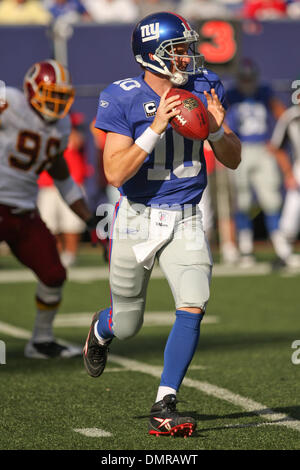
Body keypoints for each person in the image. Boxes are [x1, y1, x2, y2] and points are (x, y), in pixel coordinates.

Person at [83, 11, 241, 437]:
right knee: (129, 323)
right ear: (153, 56)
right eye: (178, 50)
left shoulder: (205, 87)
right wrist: (154, 127)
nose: (189, 57)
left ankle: (164, 401)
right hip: (136, 217)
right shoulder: (122, 96)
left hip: (187, 215)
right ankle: (103, 328)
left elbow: (234, 159)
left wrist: (217, 133)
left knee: (193, 302)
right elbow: (114, 173)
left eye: (189, 48)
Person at [0, 59, 98, 358]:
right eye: (49, 94)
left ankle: (41, 340)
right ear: (31, 89)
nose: (55, 102)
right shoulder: (11, 102)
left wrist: (89, 217)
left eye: (60, 95)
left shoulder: (62, 126)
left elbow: (60, 172)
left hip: (26, 211)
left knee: (54, 274)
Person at [226, 58, 293, 267]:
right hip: (241, 148)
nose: (247, 82)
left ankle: (282, 247)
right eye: (244, 78)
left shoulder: (264, 92)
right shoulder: (230, 94)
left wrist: (275, 142)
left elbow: (283, 115)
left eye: (250, 78)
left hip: (262, 149)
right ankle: (245, 249)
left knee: (271, 200)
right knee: (242, 200)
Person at [37, 112, 89, 268]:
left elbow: (77, 141)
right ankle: (57, 254)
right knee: (50, 223)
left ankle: (70, 255)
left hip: (72, 181)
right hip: (48, 183)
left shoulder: (71, 128)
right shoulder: (41, 129)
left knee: (72, 223)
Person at [269, 93, 300, 264]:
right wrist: (288, 173)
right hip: (299, 167)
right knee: (292, 213)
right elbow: (277, 147)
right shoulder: (290, 117)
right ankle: (284, 253)